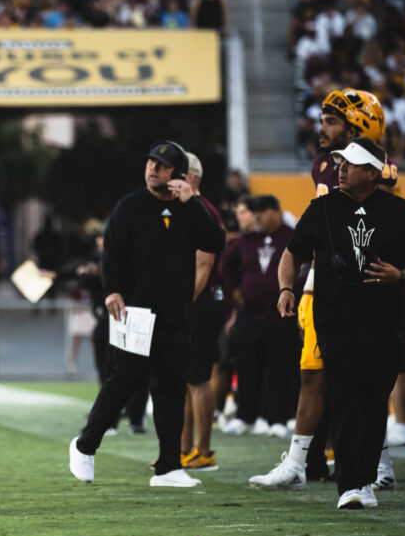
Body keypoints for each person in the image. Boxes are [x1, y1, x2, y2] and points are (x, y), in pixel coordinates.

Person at [275, 136, 405, 509]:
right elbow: (291, 254)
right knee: (342, 396)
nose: (341, 168)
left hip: (384, 322)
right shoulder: (322, 208)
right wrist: (285, 289)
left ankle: (366, 479)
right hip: (335, 320)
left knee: (374, 399)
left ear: (374, 173)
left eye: (351, 163)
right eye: (340, 161)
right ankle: (351, 485)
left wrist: (400, 276)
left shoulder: (399, 211)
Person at [249, 89, 387, 490]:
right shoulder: (322, 165)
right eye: (322, 120)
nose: (320, 127)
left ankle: (377, 465)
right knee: (312, 374)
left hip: (364, 285)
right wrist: (291, 283)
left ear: (357, 125)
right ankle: (297, 463)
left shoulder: (382, 171)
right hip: (321, 283)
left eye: (331, 121)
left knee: (365, 378)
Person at [68, 141, 224, 488]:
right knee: (127, 381)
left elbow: (215, 242)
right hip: (134, 313)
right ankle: (84, 444)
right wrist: (111, 290)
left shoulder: (189, 209)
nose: (153, 168)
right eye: (151, 162)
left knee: (171, 388)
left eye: (163, 165)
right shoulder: (130, 207)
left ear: (178, 174)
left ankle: (169, 467)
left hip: (176, 315)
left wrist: (193, 202)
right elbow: (111, 254)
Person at [219, 195, 299, 437]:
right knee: (246, 366)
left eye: (262, 211)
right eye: (255, 212)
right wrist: (234, 293)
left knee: (280, 367)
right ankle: (246, 416)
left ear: (276, 211)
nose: (258, 216)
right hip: (250, 312)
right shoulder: (247, 239)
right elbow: (225, 266)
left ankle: (279, 417)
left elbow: (305, 265)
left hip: (281, 314)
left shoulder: (291, 236)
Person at [178, 152, 226, 472]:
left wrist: (181, 305)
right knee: (183, 379)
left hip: (200, 301)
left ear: (191, 177)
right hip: (189, 301)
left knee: (198, 378)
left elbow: (203, 266)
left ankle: (203, 450)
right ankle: (181, 450)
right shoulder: (183, 209)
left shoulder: (203, 211)